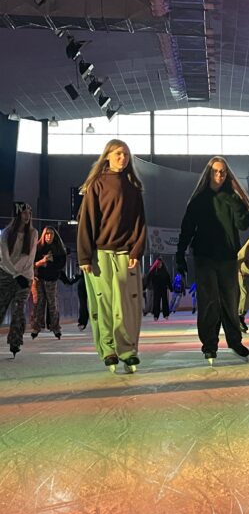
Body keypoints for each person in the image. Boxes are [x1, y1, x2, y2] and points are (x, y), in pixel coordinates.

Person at [77, 139, 146, 373]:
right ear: (107, 156)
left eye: (126, 154)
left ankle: (127, 350)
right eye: (118, 153)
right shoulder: (96, 184)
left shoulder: (133, 187)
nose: (123, 158)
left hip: (125, 253)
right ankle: (108, 349)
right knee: (104, 303)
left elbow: (140, 222)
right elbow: (86, 221)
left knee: (126, 306)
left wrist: (137, 250)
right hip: (100, 254)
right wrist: (84, 256)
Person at [176, 156, 249, 365]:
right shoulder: (199, 200)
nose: (219, 175)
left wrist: (235, 200)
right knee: (208, 302)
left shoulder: (232, 198)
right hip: (204, 257)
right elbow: (187, 229)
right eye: (215, 171)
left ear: (227, 175)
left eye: (223, 171)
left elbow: (244, 224)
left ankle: (235, 341)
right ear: (209, 173)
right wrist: (179, 254)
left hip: (227, 257)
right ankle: (209, 345)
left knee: (230, 301)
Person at [1, 202, 37, 358]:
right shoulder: (6, 233)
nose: (27, 215)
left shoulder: (33, 233)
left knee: (18, 308)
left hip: (25, 277)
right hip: (6, 274)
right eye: (24, 212)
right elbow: (4, 258)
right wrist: (15, 274)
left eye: (29, 212)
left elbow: (30, 258)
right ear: (17, 214)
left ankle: (15, 342)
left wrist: (23, 276)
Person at [30, 226, 66, 340]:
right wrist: (42, 262)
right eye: (47, 233)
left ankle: (55, 327)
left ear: (54, 236)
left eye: (51, 234)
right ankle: (36, 327)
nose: (49, 236)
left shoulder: (59, 248)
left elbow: (61, 264)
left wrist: (50, 264)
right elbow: (30, 264)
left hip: (51, 279)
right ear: (43, 235)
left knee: (52, 304)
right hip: (38, 279)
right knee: (38, 303)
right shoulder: (37, 247)